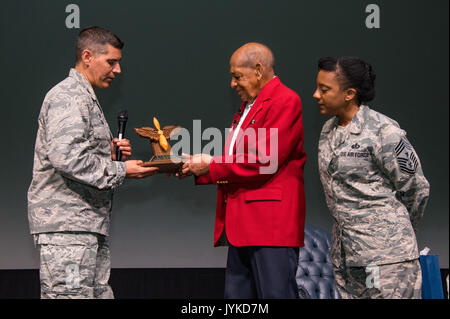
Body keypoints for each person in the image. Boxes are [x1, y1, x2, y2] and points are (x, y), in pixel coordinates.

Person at [27, 26, 158, 299]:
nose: (118, 69)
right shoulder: (68, 97)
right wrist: (122, 169)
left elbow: (74, 154)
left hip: (84, 226)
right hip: (68, 230)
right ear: (87, 56)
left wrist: (107, 155)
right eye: (111, 61)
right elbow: (67, 158)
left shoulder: (82, 96)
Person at [180, 43, 307, 298]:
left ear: (258, 70)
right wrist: (197, 168)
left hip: (270, 227)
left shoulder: (285, 100)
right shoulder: (249, 106)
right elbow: (237, 160)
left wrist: (212, 164)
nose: (232, 83)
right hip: (243, 226)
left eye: (237, 76)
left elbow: (263, 160)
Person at [313, 56, 430, 299]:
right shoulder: (328, 131)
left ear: (349, 93)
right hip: (347, 259)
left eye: (324, 89)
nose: (316, 94)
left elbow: (417, 189)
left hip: (388, 260)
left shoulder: (383, 131)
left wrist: (391, 232)